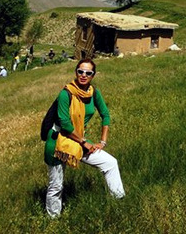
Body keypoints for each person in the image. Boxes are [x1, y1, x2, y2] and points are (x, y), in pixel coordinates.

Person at [44, 58, 125, 218]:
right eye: (80, 71)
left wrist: (103, 141)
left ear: (93, 75)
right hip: (59, 142)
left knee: (110, 163)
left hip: (78, 141)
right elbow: (65, 124)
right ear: (76, 72)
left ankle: (119, 202)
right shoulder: (65, 93)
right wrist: (84, 143)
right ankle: (53, 220)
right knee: (56, 186)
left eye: (88, 73)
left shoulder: (93, 92)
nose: (83, 75)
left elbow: (105, 115)